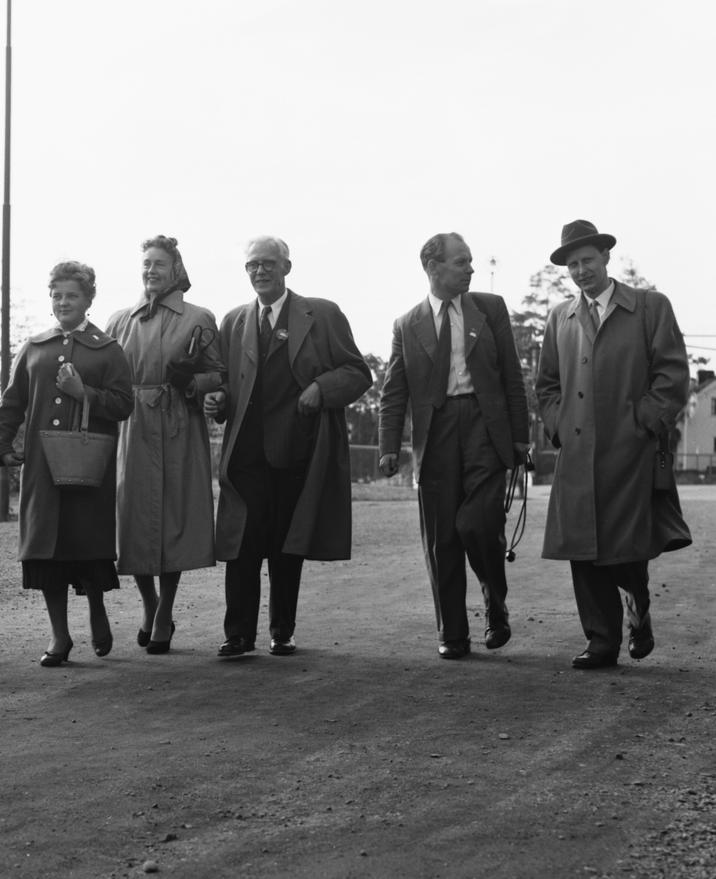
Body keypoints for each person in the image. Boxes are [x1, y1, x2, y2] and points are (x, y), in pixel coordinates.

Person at [204, 236, 372, 658]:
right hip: (244, 455)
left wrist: (321, 387)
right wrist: (218, 398)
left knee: (285, 545)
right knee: (242, 544)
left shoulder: (322, 314)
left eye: (268, 263)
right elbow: (225, 381)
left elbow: (358, 372)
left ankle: (282, 631)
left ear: (287, 267)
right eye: (252, 265)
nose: (260, 271)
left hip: (297, 450)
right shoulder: (234, 321)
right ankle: (238, 635)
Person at [536, 219, 691, 669]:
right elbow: (547, 385)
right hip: (576, 451)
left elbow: (672, 374)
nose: (581, 271)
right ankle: (601, 641)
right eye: (572, 265)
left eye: (587, 260)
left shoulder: (649, 306)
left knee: (626, 543)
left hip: (631, 449)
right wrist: (559, 425)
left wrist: (644, 424)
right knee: (582, 548)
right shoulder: (559, 317)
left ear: (606, 256)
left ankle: (637, 605)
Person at [378, 233, 529, 659]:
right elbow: (394, 391)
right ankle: (452, 633)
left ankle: (495, 607)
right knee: (441, 538)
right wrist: (389, 445)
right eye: (461, 262)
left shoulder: (490, 309)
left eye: (470, 261)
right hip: (435, 433)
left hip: (484, 426)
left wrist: (520, 437)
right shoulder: (406, 325)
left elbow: (512, 376)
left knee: (479, 523)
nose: (470, 269)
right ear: (433, 268)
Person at [0, 261, 134, 667]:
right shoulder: (34, 347)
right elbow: (12, 402)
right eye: (57, 295)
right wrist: (3, 444)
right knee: (45, 553)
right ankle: (60, 636)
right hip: (41, 468)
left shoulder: (108, 349)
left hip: (88, 467)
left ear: (89, 299)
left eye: (72, 295)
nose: (63, 302)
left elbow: (123, 404)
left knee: (86, 548)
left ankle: (97, 610)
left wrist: (83, 392)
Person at [106, 236, 225, 654]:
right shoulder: (119, 321)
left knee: (175, 518)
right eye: (146, 263)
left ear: (176, 269)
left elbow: (219, 374)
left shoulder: (199, 318)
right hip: (131, 427)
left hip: (179, 425)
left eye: (159, 263)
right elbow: (105, 375)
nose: (151, 270)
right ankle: (150, 604)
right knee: (132, 518)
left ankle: (165, 611)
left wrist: (193, 383)